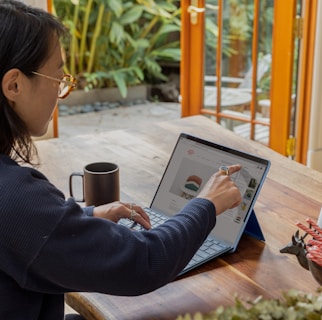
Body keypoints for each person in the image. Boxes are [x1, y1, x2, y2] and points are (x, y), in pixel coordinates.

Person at [0, 0, 242, 319]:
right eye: (58, 79)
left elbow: (27, 233)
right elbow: (143, 261)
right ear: (14, 84)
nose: (62, 92)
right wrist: (207, 204)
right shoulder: (13, 195)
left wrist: (85, 217)